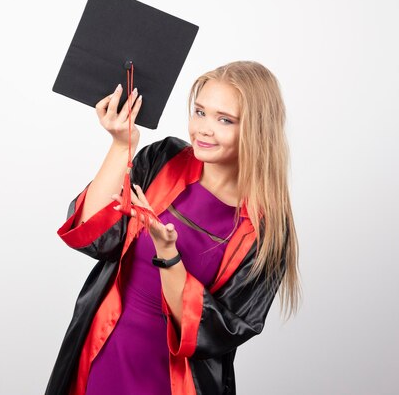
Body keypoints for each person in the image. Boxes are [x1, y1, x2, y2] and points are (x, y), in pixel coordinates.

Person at [45, 61, 301, 395]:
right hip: (104, 353)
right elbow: (92, 235)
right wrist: (122, 145)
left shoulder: (266, 234)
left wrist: (168, 253)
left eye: (225, 119)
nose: (204, 128)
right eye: (200, 112)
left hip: (173, 382)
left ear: (258, 130)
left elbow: (214, 333)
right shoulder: (164, 160)